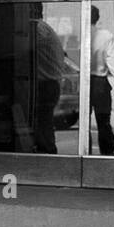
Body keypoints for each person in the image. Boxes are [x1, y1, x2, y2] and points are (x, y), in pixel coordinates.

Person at [32, 15, 69, 154]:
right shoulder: (46, 28)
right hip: (51, 84)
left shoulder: (37, 28)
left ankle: (48, 157)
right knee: (45, 125)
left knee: (42, 126)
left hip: (44, 85)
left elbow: (22, 47)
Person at [89, 3, 114, 157]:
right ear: (97, 18)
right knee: (103, 120)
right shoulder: (106, 36)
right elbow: (112, 62)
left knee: (84, 122)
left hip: (84, 80)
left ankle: (85, 151)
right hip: (100, 83)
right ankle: (107, 152)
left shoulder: (81, 34)